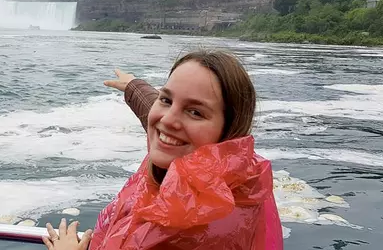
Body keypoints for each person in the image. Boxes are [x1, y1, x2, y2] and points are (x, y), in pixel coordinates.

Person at [42, 49, 283, 250]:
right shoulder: (238, 168)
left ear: (228, 131)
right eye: (166, 99)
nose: (167, 120)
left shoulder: (191, 229)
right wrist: (133, 87)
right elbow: (154, 111)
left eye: (195, 112)